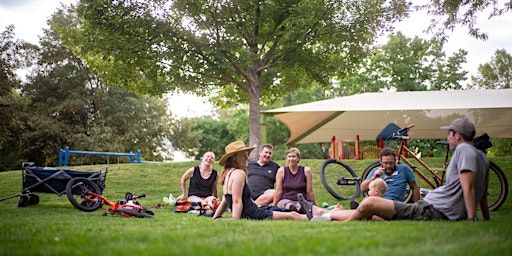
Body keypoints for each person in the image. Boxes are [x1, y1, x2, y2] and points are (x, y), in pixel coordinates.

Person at [326, 118, 490, 222]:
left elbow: (469, 187)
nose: (448, 138)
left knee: (369, 203)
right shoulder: (482, 157)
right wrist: (485, 218)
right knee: (369, 208)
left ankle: (336, 217)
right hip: (432, 207)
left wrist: (472, 218)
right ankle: (329, 215)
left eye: (449, 134)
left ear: (458, 136)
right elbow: (483, 193)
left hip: (433, 209)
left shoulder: (464, 150)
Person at [212, 141, 308, 221]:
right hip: (254, 213)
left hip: (255, 208)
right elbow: (236, 201)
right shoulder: (239, 173)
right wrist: (235, 218)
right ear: (234, 157)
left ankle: (318, 215)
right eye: (243, 155)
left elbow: (226, 198)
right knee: (293, 215)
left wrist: (216, 216)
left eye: (247, 155)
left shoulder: (228, 173)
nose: (247, 158)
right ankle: (320, 218)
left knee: (284, 211)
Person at [272, 148, 317, 212]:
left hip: (301, 200)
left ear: (298, 158)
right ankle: (293, 209)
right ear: (286, 159)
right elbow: (278, 191)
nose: (291, 159)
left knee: (302, 205)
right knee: (287, 205)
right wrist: (273, 206)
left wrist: (315, 205)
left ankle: (301, 209)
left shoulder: (306, 170)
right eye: (289, 157)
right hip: (286, 200)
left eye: (293, 156)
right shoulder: (281, 171)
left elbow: (309, 191)